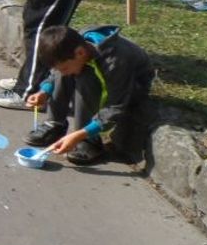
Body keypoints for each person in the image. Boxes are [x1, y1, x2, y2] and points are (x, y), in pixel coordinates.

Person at [24, 25, 154, 166]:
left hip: (133, 87)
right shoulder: (74, 46)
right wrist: (45, 91)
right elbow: (57, 72)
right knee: (67, 72)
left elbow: (115, 106)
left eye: (64, 67)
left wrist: (82, 133)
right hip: (96, 71)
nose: (62, 72)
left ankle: (89, 140)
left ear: (80, 53)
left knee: (85, 77)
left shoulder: (115, 62)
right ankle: (55, 124)